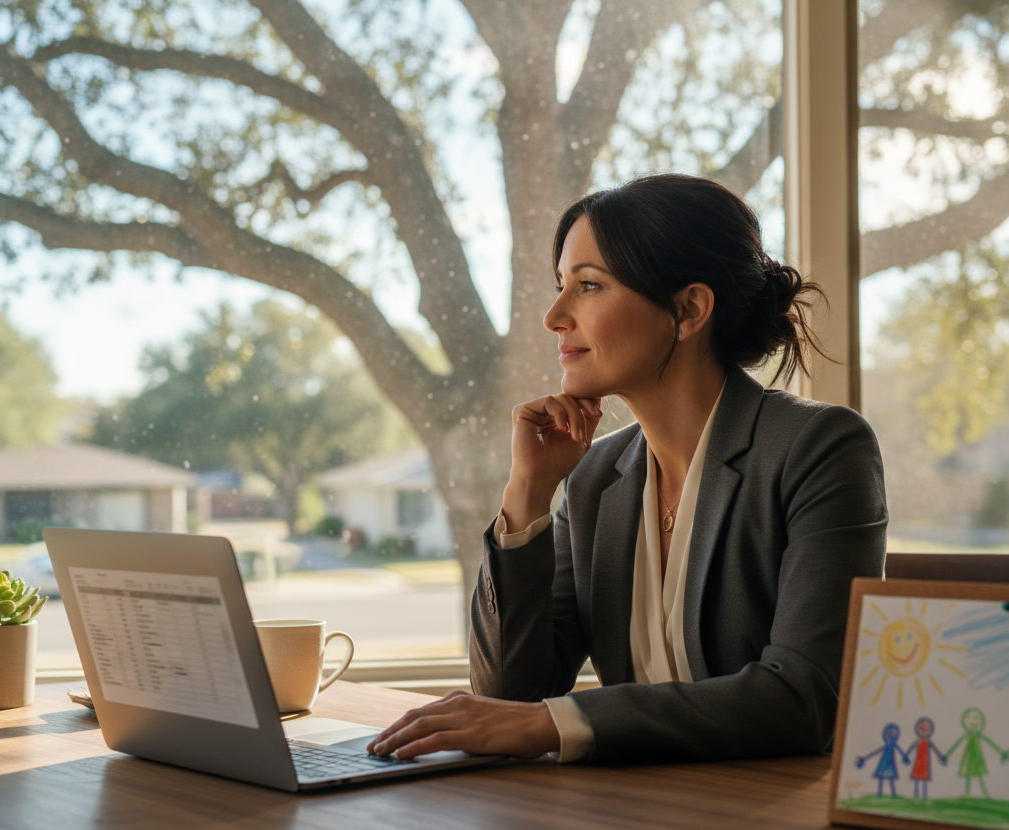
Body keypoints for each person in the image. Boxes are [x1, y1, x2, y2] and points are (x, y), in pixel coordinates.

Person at [368, 173, 888, 763]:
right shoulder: (595, 478)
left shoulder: (818, 448)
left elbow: (803, 699)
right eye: (561, 285)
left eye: (588, 286)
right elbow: (511, 694)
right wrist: (529, 492)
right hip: (633, 810)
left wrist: (551, 726)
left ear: (688, 310)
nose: (554, 316)